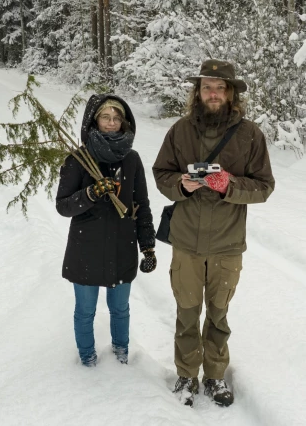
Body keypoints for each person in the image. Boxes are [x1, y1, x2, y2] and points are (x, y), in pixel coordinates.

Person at [152, 59, 275, 407]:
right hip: (187, 242)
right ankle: (187, 376)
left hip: (227, 244)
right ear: (198, 91)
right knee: (187, 312)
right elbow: (162, 173)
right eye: (207, 87)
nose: (214, 93)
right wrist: (181, 184)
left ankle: (215, 376)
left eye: (221, 88)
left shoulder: (250, 134)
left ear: (232, 93)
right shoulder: (180, 131)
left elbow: (265, 187)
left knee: (218, 314)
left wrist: (229, 185)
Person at [56, 94, 156, 367]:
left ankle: (120, 354)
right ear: (94, 121)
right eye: (105, 117)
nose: (111, 123)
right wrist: (89, 194)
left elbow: (142, 205)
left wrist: (147, 245)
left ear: (124, 123)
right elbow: (63, 206)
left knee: (120, 309)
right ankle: (87, 358)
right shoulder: (78, 158)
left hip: (122, 246)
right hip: (85, 247)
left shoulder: (132, 159)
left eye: (116, 118)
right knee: (85, 311)